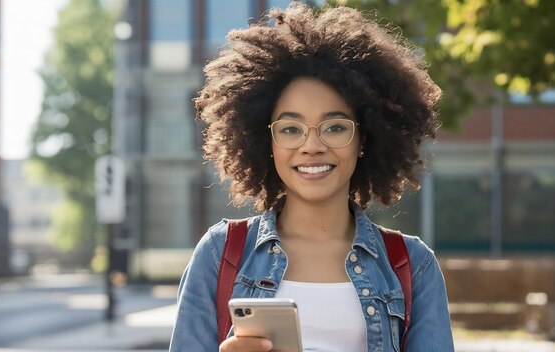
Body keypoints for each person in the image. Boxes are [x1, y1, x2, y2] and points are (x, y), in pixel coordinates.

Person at [170, 2, 454, 351]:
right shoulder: (219, 254)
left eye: (335, 127)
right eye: (290, 129)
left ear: (363, 139)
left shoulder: (412, 264)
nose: (312, 146)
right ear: (266, 141)